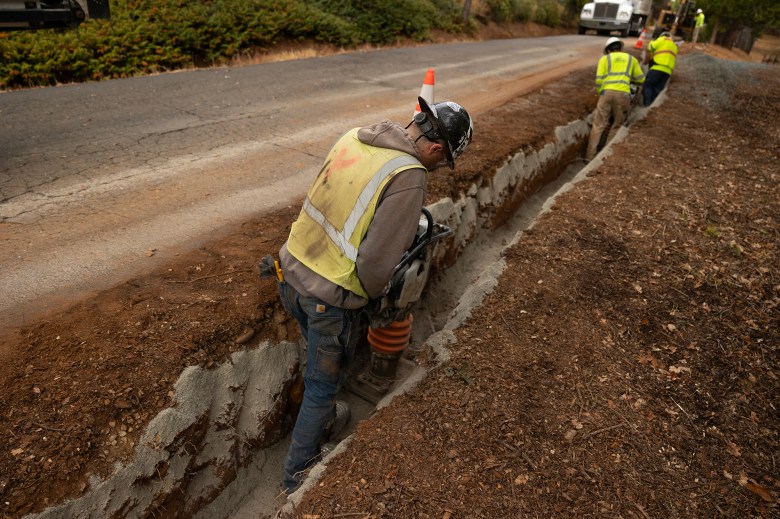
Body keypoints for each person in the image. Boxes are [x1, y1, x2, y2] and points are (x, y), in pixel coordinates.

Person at [275, 96, 473, 495]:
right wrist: (377, 298)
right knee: (321, 385)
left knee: (319, 364)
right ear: (437, 149)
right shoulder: (410, 175)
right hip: (328, 295)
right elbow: (376, 262)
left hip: (290, 270)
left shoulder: (356, 137)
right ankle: (297, 477)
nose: (437, 167)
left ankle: (326, 419)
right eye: (443, 160)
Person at [585, 37, 645, 160]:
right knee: (617, 125)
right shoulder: (631, 59)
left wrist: (601, 93)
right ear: (620, 48)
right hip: (623, 94)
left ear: (608, 50)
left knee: (598, 125)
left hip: (606, 93)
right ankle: (604, 159)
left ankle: (589, 157)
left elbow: (599, 81)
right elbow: (641, 79)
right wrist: (631, 81)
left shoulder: (604, 59)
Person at [643, 30, 678, 107]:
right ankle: (650, 105)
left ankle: (647, 104)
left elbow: (650, 47)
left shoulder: (662, 39)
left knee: (648, 85)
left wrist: (653, 41)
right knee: (657, 89)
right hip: (667, 71)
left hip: (657, 67)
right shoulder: (674, 46)